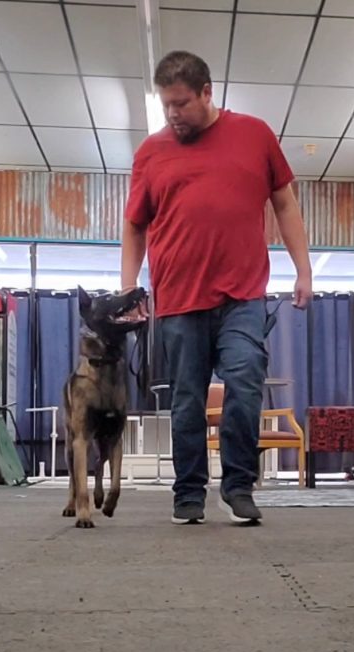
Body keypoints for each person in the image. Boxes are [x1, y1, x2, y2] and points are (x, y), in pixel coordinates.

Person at [121, 50, 312, 525]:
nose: (172, 114)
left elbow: (285, 205)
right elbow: (134, 226)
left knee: (246, 382)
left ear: (208, 93)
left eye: (181, 103)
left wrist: (303, 270)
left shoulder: (255, 135)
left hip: (242, 295)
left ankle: (239, 486)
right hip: (179, 300)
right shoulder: (151, 153)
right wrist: (129, 289)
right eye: (166, 104)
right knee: (187, 398)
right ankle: (188, 493)